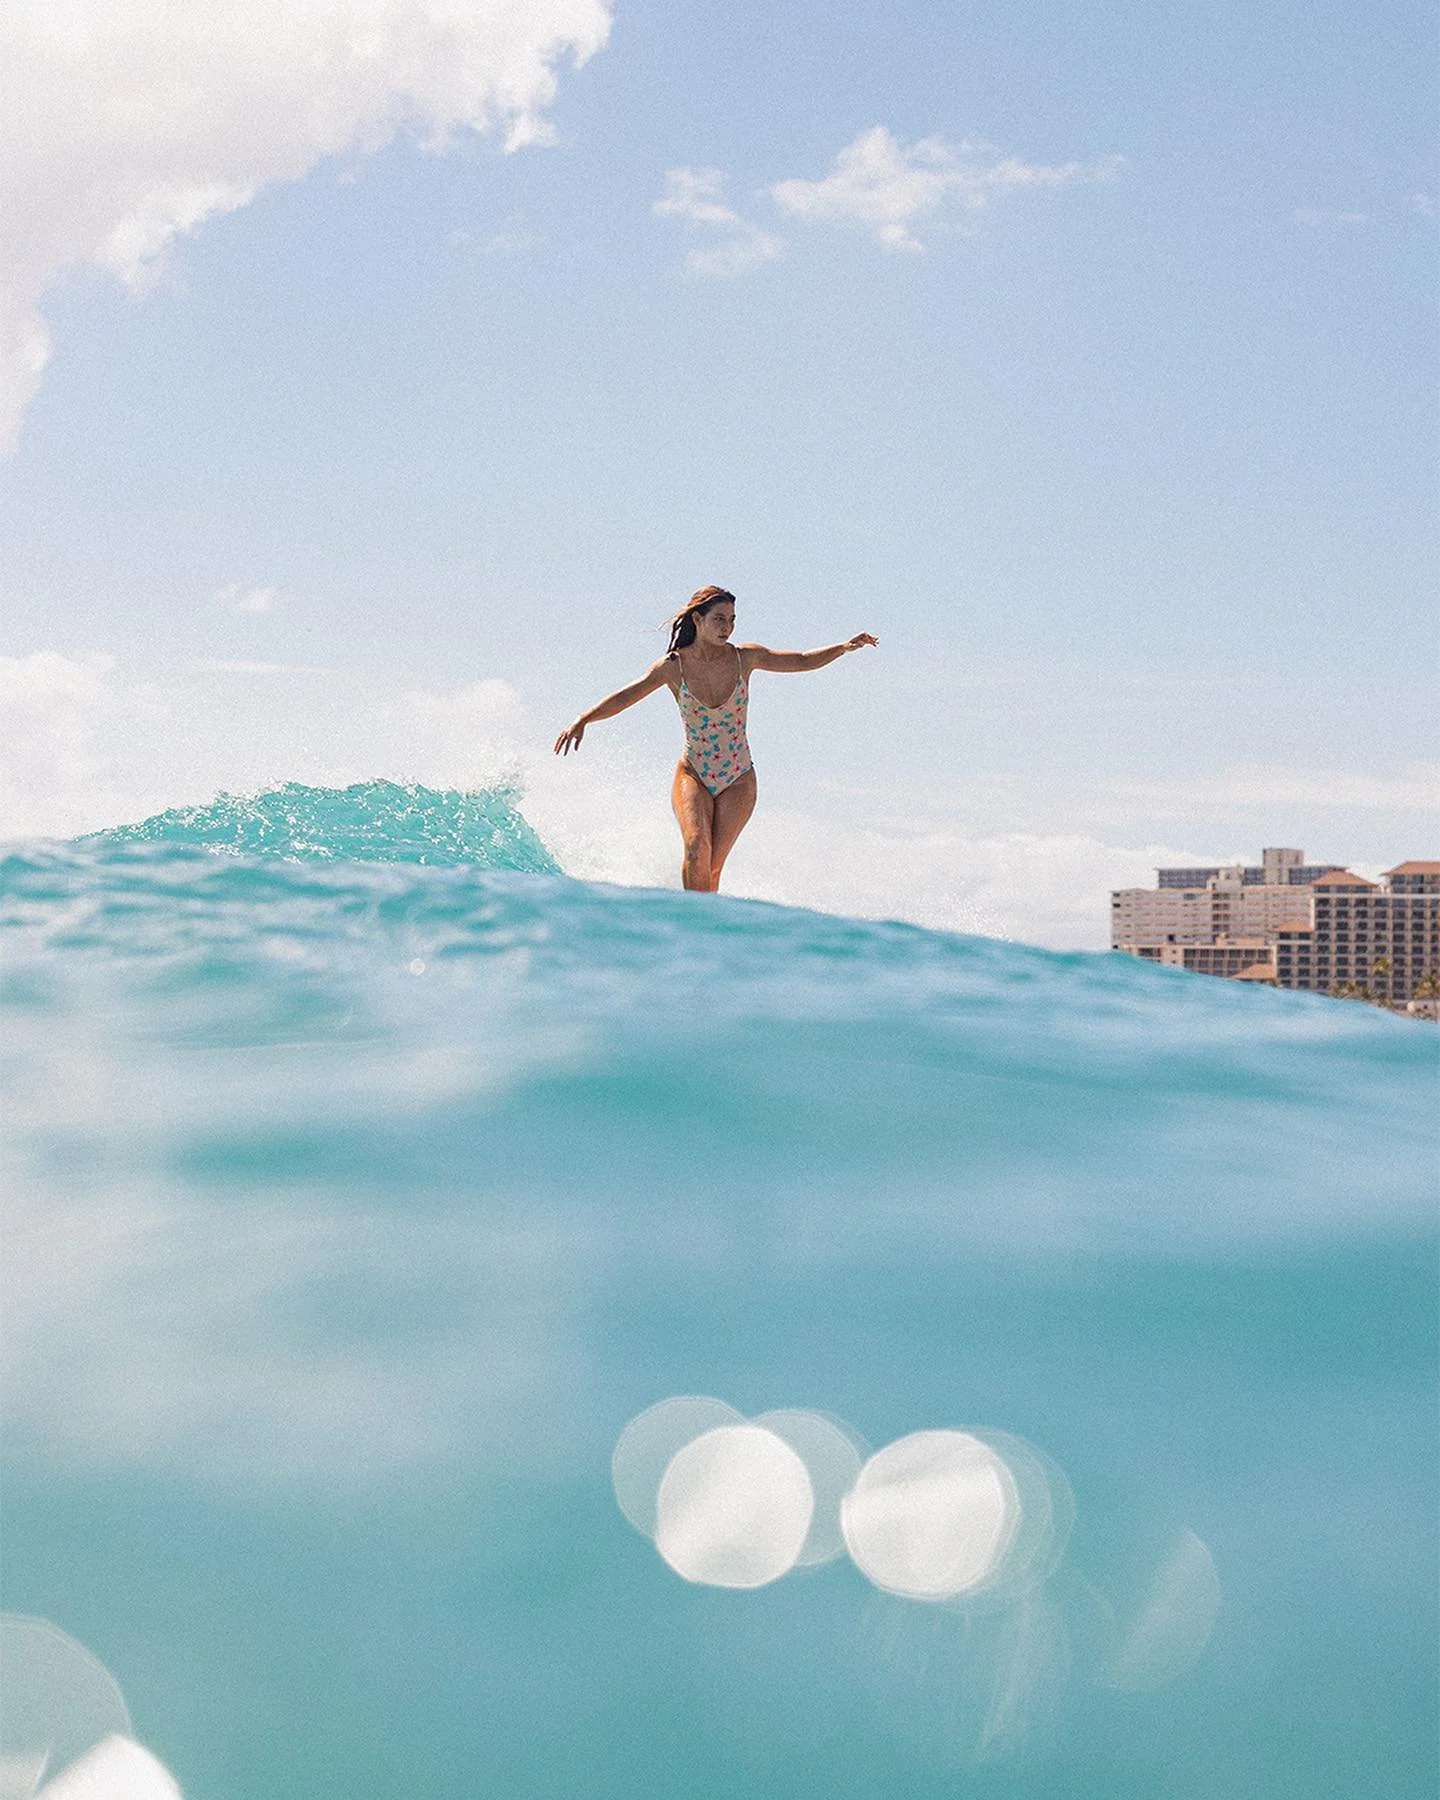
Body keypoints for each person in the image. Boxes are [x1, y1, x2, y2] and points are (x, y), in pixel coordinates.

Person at [554, 586, 878, 892]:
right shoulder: (673, 667)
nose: (727, 628)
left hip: (738, 777)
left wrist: (843, 647)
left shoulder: (744, 658)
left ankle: (704, 936)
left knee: (711, 869)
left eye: (732, 620)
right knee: (696, 848)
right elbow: (626, 696)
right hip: (694, 771)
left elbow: (802, 660)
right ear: (698, 619)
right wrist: (584, 719)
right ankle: (689, 923)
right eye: (719, 619)